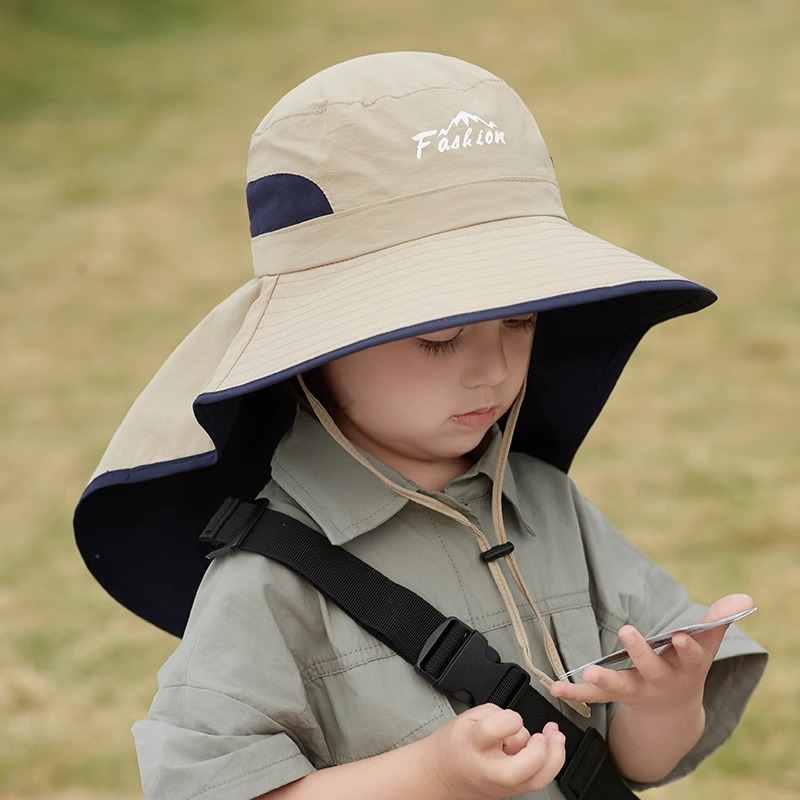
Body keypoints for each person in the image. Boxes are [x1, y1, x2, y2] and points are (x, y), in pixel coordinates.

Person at [73, 52, 767, 800]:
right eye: (437, 337)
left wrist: (667, 698)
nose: (492, 368)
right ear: (312, 346)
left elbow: (634, 765)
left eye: (521, 318)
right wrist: (430, 775)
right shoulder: (269, 575)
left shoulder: (543, 502)